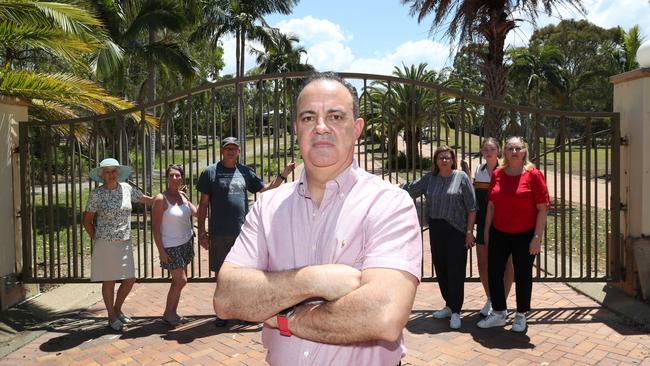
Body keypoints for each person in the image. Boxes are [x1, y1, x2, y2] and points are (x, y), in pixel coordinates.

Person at [213, 72, 422, 366]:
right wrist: (314, 280)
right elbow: (227, 297)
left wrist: (281, 316)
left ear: (357, 127)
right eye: (309, 118)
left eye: (336, 117)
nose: (321, 127)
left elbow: (382, 315)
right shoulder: (268, 206)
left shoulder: (389, 204)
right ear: (297, 127)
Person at [197, 136, 295, 326]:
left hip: (242, 232)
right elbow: (203, 205)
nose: (231, 151)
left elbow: (265, 190)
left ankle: (244, 312)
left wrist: (283, 175)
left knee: (244, 274)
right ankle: (222, 312)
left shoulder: (245, 172)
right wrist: (202, 231)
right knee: (221, 274)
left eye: (234, 148)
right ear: (222, 151)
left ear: (239, 151)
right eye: (228, 148)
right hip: (218, 232)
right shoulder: (210, 172)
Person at [477, 136, 549, 332]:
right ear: (505, 152)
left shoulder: (533, 175)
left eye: (518, 148)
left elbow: (542, 208)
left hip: (525, 234)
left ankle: (521, 315)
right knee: (494, 272)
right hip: (499, 232)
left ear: (524, 151)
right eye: (510, 148)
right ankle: (499, 312)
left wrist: (536, 237)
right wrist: (486, 232)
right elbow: (491, 205)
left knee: (523, 275)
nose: (514, 152)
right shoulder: (498, 173)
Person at [402, 146, 477, 330]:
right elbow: (410, 190)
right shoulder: (430, 178)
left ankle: (457, 312)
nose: (444, 160)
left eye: (447, 157)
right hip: (436, 228)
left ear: (453, 160)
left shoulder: (461, 178)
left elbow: (472, 207)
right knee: (441, 268)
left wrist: (469, 232)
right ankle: (449, 305)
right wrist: (388, 189)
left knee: (456, 270)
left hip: (457, 230)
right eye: (441, 157)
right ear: (436, 161)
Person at [82, 158, 153, 332]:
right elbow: (87, 221)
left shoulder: (127, 189)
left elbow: (145, 199)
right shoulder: (96, 194)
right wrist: (97, 239)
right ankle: (111, 316)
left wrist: (163, 199)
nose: (111, 175)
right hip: (105, 243)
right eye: (107, 172)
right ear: (101, 175)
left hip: (125, 242)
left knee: (129, 280)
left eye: (114, 171)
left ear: (118, 173)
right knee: (109, 281)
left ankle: (117, 309)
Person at [473, 138, 514, 317]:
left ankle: (501, 302)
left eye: (492, 148)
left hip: (504, 222)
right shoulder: (479, 170)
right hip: (483, 222)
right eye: (485, 149)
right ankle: (491, 299)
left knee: (505, 264)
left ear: (499, 150)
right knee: (483, 264)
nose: (488, 152)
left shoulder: (507, 170)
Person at [152, 164, 197, 326]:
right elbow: (155, 229)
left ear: (182, 178)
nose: (175, 178)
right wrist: (161, 251)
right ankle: (168, 314)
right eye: (171, 175)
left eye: (178, 175)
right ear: (167, 178)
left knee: (177, 282)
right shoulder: (160, 199)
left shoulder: (183, 195)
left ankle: (171, 313)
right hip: (171, 246)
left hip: (186, 243)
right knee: (181, 281)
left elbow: (196, 213)